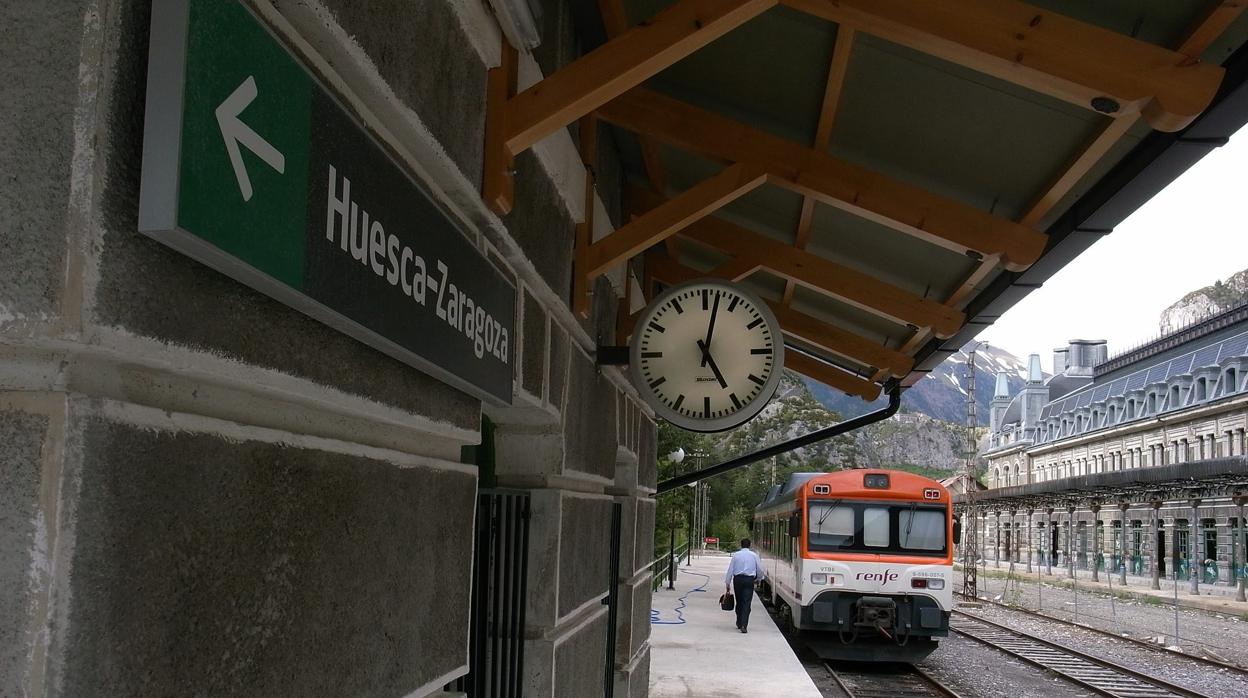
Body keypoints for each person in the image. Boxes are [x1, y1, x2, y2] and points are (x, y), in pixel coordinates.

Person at [724, 538, 765, 633]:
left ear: (741, 545)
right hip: (749, 580)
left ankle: (739, 621)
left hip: (738, 580)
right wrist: (759, 579)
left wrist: (727, 583)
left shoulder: (736, 555)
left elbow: (730, 569)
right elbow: (760, 569)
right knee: (746, 602)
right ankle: (744, 625)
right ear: (749, 545)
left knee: (739, 601)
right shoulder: (754, 555)